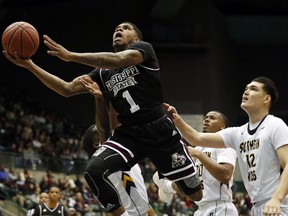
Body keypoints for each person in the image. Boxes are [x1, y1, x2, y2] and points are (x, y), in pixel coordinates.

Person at [3, 21, 202, 216]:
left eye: (125, 28)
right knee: (93, 171)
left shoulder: (144, 50)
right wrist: (30, 65)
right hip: (129, 134)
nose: (119, 30)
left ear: (136, 38)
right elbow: (67, 89)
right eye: (116, 28)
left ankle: (167, 185)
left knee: (195, 194)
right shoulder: (102, 73)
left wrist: (71, 56)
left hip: (159, 129)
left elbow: (117, 60)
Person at [164, 76, 288, 215]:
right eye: (246, 88)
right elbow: (196, 138)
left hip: (279, 204)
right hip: (257, 206)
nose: (246, 92)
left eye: (253, 89)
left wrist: (277, 199)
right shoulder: (237, 133)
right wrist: (175, 118)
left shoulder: (275, 125)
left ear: (266, 99)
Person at [153, 111, 238, 215]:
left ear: (222, 126)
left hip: (219, 206)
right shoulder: (198, 148)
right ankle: (168, 186)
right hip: (200, 209)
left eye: (212, 118)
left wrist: (199, 154)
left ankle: (168, 187)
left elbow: (225, 175)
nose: (206, 119)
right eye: (206, 117)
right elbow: (187, 187)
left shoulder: (225, 145)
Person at [82, 124, 155, 215]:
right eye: (104, 132)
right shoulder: (108, 166)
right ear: (97, 145)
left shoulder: (121, 154)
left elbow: (141, 198)